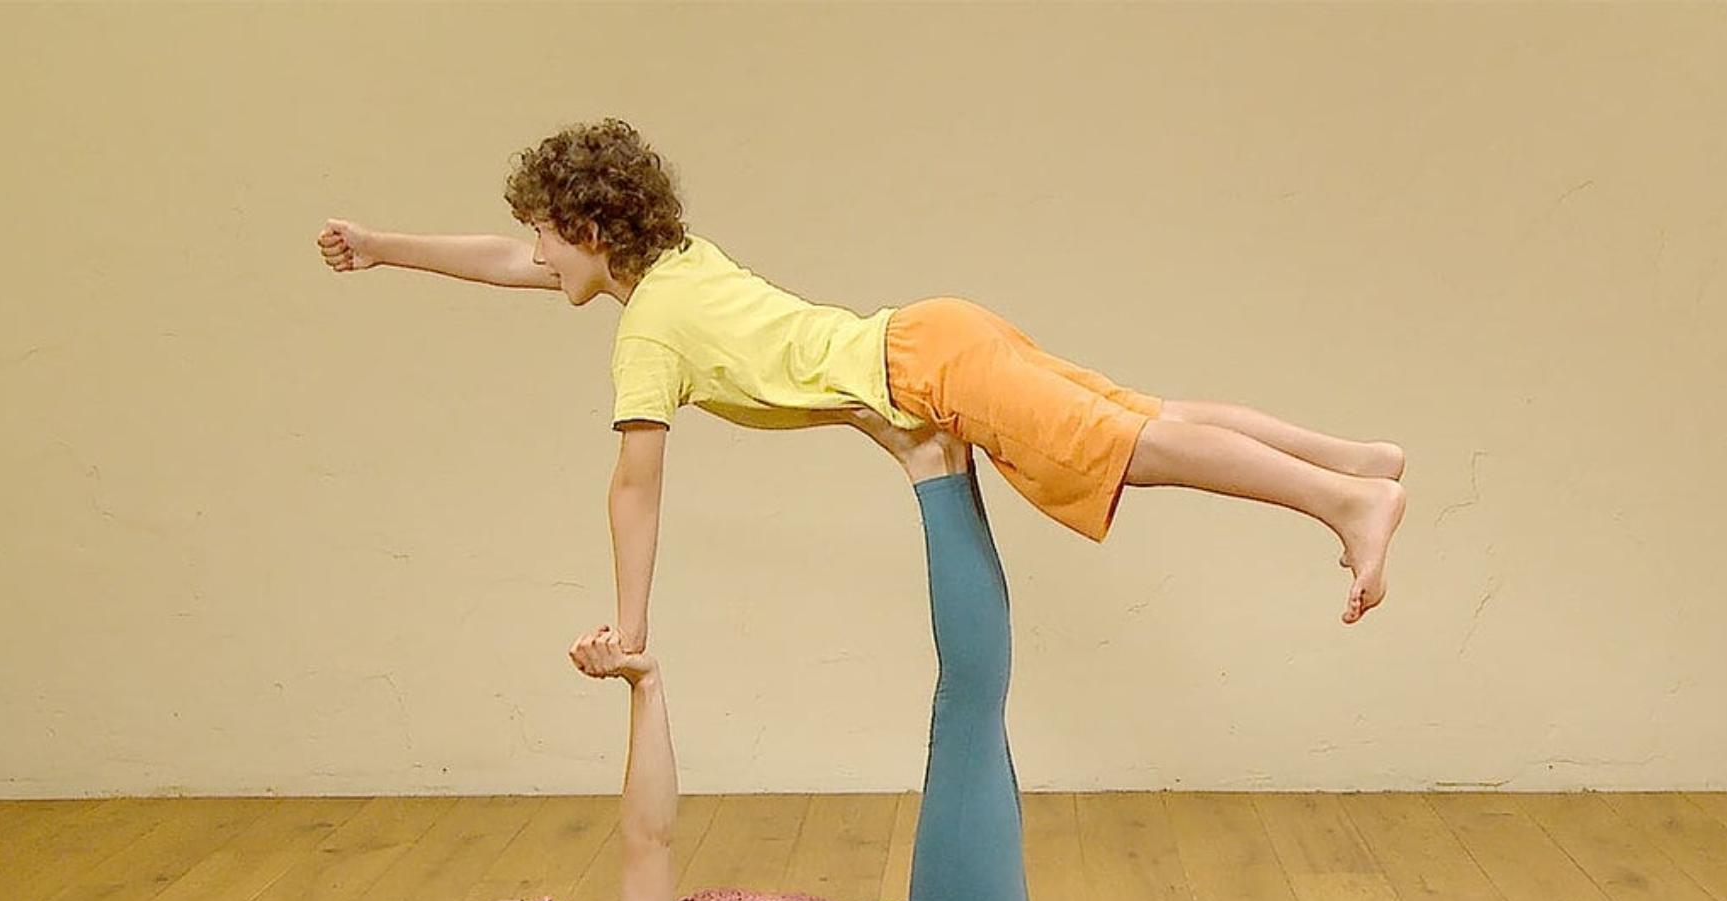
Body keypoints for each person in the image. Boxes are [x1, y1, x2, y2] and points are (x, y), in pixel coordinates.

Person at [314, 119, 1407, 635]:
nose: (535, 256)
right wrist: (383, 248)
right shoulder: (673, 264)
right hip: (934, 334)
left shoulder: (649, 331)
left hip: (925, 368)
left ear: (594, 234)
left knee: (1132, 447)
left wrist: (630, 624)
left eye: (548, 236)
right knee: (1141, 411)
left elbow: (633, 489)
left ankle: (1346, 501)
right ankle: (1355, 459)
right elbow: (508, 264)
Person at [268, 432, 1039, 901]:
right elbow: (648, 836)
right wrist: (646, 686)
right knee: (966, 711)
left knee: (974, 718)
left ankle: (946, 459)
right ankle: (934, 466)